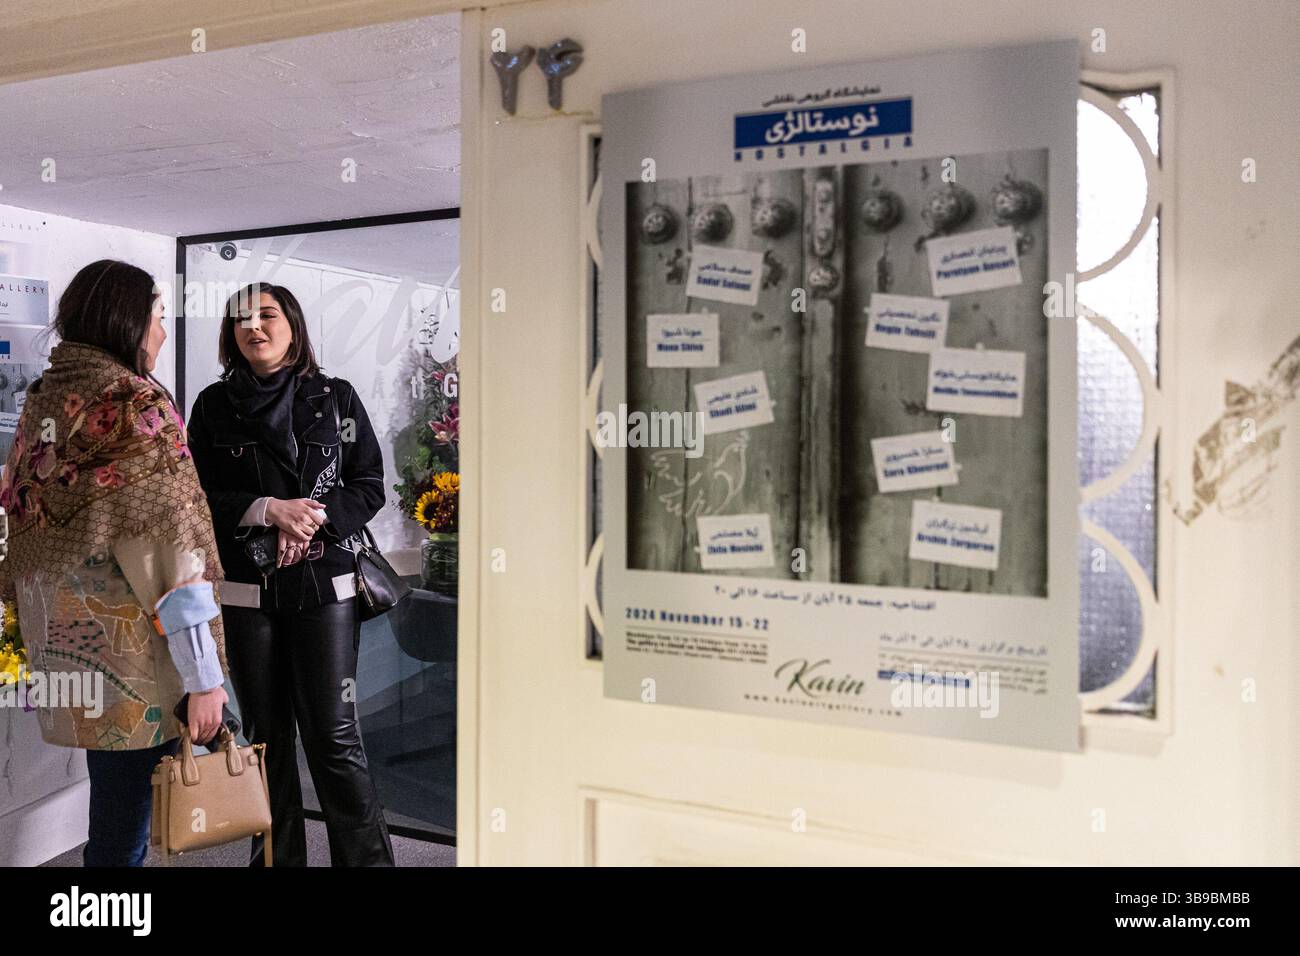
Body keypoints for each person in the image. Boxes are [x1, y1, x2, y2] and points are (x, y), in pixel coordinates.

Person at [0, 259, 230, 867]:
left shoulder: (45, 403)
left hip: (71, 652)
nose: (160, 333)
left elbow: (22, 523)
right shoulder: (135, 405)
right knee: (123, 834)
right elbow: (173, 555)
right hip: (139, 662)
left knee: (116, 813)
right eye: (157, 318)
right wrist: (204, 678)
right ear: (127, 321)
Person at [186, 282, 395, 867]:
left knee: (333, 736)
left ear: (293, 326)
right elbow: (199, 496)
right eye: (241, 320)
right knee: (263, 738)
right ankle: (277, 862)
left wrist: (310, 522)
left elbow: (369, 483)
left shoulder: (336, 397)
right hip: (246, 588)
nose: (254, 327)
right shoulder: (211, 405)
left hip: (325, 584)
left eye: (267, 315)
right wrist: (267, 511)